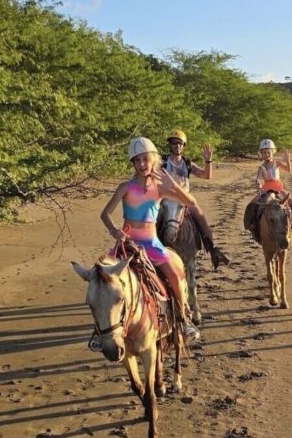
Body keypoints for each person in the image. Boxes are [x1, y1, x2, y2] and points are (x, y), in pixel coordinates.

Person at [99, 136, 200, 341]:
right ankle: (100, 331)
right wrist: (114, 231)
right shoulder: (125, 187)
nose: (142, 164)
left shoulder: (160, 188)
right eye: (137, 160)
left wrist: (174, 184)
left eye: (145, 159)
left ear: (153, 159)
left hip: (151, 243)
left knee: (173, 273)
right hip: (126, 244)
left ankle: (183, 319)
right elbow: (105, 214)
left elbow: (191, 201)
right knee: (102, 279)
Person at [160, 129, 230, 269]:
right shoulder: (163, 161)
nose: (177, 145)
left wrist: (208, 160)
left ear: (184, 145)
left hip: (185, 199)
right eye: (174, 143)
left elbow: (206, 175)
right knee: (155, 219)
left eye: (180, 143)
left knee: (201, 219)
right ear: (170, 144)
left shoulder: (187, 163)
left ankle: (212, 249)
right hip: (166, 199)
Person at [245, 139, 292, 241]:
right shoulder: (261, 167)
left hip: (278, 188)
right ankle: (252, 223)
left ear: (272, 152)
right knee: (253, 203)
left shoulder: (277, 163)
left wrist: (288, 160)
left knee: (291, 201)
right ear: (261, 154)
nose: (266, 155)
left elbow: (288, 169)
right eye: (264, 153)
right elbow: (258, 178)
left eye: (268, 152)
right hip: (267, 190)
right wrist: (258, 182)